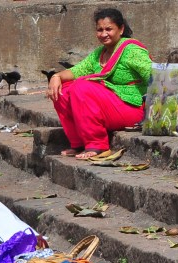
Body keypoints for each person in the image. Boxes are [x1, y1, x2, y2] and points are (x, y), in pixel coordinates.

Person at [46, 8, 152, 160]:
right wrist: (55, 77)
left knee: (81, 86)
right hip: (110, 107)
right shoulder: (99, 54)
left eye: (109, 29)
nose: (103, 34)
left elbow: (154, 75)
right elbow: (76, 71)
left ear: (121, 29)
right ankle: (78, 143)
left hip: (132, 107)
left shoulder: (131, 50)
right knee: (62, 90)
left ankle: (98, 145)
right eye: (100, 30)